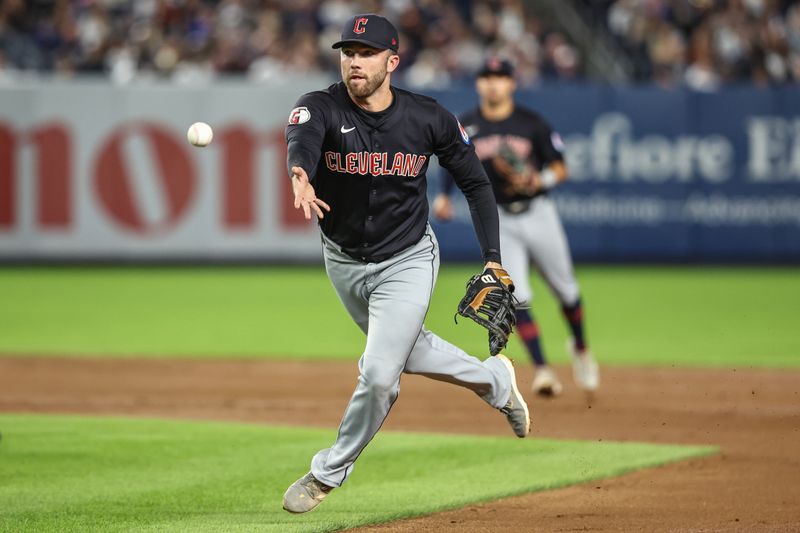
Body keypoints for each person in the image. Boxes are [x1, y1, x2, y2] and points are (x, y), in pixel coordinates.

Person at [281, 15, 530, 514]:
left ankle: (326, 473)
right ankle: (496, 382)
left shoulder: (428, 117)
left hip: (408, 257)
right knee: (407, 352)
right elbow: (303, 141)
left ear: (392, 62)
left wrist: (493, 258)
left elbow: (476, 184)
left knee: (379, 374)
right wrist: (299, 172)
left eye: (366, 52)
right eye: (348, 50)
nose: (354, 60)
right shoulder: (319, 106)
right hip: (344, 259)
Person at [432, 57, 599, 397]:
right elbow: (451, 162)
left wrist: (539, 180)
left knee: (566, 291)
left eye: (500, 77)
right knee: (517, 295)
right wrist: (445, 196)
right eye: (487, 77)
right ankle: (542, 370)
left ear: (512, 83)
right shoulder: (467, 125)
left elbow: (560, 167)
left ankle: (580, 348)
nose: (493, 83)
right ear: (478, 84)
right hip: (500, 217)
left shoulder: (531, 123)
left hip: (539, 213)